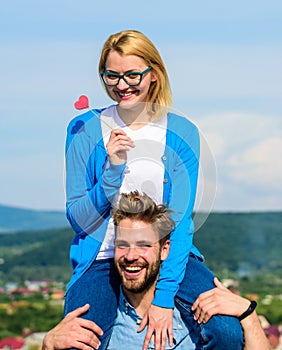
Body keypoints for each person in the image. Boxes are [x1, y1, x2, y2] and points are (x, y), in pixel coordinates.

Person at [64, 29, 243, 350]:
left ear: (154, 74)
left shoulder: (181, 132)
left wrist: (164, 299)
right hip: (102, 259)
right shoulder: (83, 129)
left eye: (132, 75)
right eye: (111, 76)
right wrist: (112, 171)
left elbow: (181, 220)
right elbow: (78, 219)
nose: (121, 85)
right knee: (79, 341)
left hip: (169, 257)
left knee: (226, 332)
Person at [43, 192, 269, 350]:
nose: (131, 256)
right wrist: (49, 344)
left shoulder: (197, 320)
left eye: (143, 245)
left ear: (164, 250)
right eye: (123, 245)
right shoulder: (99, 324)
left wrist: (248, 315)